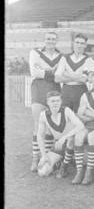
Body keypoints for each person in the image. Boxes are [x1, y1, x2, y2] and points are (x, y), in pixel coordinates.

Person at [29, 32, 63, 172]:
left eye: (53, 39)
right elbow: (34, 72)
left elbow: (59, 76)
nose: (50, 41)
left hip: (54, 90)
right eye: (48, 39)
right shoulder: (35, 52)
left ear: (57, 41)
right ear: (44, 40)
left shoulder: (61, 56)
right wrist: (50, 72)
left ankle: (47, 158)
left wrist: (43, 70)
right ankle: (35, 157)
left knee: (50, 125)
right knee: (38, 124)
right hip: (39, 88)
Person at [36, 91, 86, 178]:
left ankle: (65, 166)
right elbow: (40, 136)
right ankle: (62, 160)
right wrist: (44, 155)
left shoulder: (66, 110)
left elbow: (80, 125)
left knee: (70, 139)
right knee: (42, 172)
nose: (55, 103)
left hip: (73, 143)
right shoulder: (43, 115)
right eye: (52, 101)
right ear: (47, 102)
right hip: (60, 146)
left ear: (61, 102)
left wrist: (64, 138)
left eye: (57, 101)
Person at [55, 33, 90, 113]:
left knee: (80, 116)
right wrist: (77, 77)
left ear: (85, 45)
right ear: (73, 43)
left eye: (82, 43)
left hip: (81, 90)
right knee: (65, 117)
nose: (79, 45)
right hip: (66, 90)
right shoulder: (65, 58)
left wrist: (66, 74)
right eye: (77, 42)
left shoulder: (88, 59)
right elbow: (57, 78)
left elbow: (84, 79)